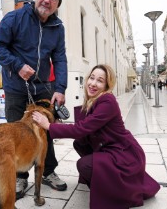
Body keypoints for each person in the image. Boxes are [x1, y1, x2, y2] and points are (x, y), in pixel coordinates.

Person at [32, 64, 160, 209]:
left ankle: (116, 192)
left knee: (84, 165)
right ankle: (104, 179)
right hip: (111, 148)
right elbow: (85, 128)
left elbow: (82, 128)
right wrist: (58, 123)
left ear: (107, 85)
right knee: (79, 143)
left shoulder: (108, 101)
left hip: (124, 154)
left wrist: (49, 126)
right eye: (92, 78)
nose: (93, 83)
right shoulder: (94, 100)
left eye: (100, 80)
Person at [0, 0, 68, 199]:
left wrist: (60, 88)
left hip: (43, 87)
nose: (48, 0)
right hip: (16, 85)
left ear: (57, 3)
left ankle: (48, 171)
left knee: (46, 131)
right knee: (18, 132)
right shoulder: (15, 18)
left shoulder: (57, 27)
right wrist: (17, 65)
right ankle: (21, 177)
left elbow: (60, 58)